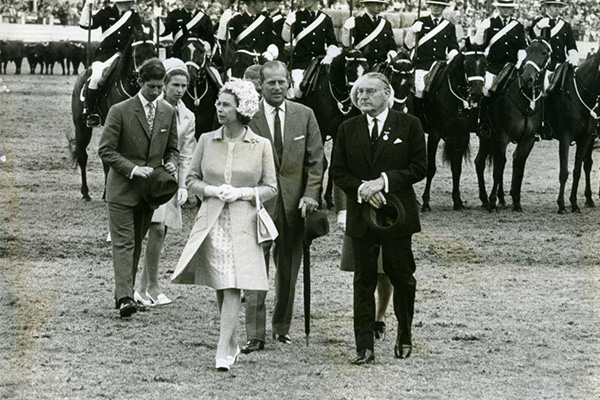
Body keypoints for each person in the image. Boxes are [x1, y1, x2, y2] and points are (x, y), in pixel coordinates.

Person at [171, 79, 277, 371]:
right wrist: (212, 191)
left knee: (232, 284)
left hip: (244, 221)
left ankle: (221, 349)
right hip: (212, 220)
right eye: (218, 103)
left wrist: (243, 193)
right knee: (221, 281)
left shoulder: (261, 145)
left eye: (225, 104)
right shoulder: (207, 140)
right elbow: (191, 179)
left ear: (241, 109)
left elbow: (271, 187)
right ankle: (230, 341)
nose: (219, 108)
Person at [332, 72, 426, 365]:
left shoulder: (409, 124)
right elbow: (338, 172)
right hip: (363, 215)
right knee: (363, 281)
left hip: (397, 215)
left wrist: (383, 181)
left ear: (387, 93)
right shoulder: (347, 128)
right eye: (359, 92)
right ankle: (364, 346)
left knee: (402, 277)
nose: (362, 97)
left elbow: (419, 167)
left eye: (370, 91)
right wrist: (363, 189)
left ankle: (405, 335)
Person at [241, 60, 325, 353]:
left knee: (288, 270)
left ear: (290, 82)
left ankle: (281, 327)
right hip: (258, 205)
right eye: (270, 83)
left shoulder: (305, 115)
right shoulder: (248, 118)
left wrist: (311, 194)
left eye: (281, 82)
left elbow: (316, 161)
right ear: (260, 85)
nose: (277, 87)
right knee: (255, 269)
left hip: (294, 207)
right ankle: (255, 333)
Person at [98, 58, 180, 318]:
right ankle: (124, 297)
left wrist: (170, 164)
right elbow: (105, 150)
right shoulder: (120, 110)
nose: (156, 92)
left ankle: (125, 294)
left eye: (159, 87)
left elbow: (173, 149)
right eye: (151, 87)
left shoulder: (168, 111)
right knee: (123, 244)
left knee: (135, 243)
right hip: (122, 190)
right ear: (140, 82)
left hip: (150, 194)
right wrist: (133, 169)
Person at [135, 58, 197, 307]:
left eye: (184, 86)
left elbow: (186, 151)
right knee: (154, 230)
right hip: (148, 176)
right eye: (175, 85)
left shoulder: (188, 116)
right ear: (165, 84)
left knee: (160, 233)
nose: (180, 91)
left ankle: (145, 287)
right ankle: (148, 286)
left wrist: (183, 184)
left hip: (168, 180)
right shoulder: (151, 107)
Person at [79, 0, 144, 127]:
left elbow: (140, 34)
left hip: (125, 56)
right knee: (96, 78)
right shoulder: (106, 12)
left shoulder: (134, 15)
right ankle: (91, 111)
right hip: (105, 55)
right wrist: (87, 7)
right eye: (129, 1)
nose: (132, 3)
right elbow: (86, 24)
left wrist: (155, 21)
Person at [472, 0, 526, 137]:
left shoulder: (518, 26)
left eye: (508, 8)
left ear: (512, 10)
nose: (506, 10)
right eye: (503, 7)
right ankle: (483, 122)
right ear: (498, 8)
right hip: (493, 67)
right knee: (486, 90)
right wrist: (481, 31)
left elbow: (521, 45)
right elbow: (478, 46)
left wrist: (521, 57)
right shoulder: (490, 23)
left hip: (512, 68)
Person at [530, 0, 578, 139]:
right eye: (554, 6)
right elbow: (533, 40)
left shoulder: (566, 25)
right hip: (546, 64)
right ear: (547, 7)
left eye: (559, 7)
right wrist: (538, 28)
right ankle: (542, 125)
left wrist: (573, 54)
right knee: (544, 89)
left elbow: (571, 45)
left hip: (562, 64)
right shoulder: (540, 23)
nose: (557, 9)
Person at [404, 0, 459, 117]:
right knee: (420, 88)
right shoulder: (420, 22)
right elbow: (408, 45)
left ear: (444, 8)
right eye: (434, 5)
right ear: (429, 6)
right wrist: (412, 32)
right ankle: (418, 117)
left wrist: (453, 53)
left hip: (440, 66)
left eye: (439, 5)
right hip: (422, 64)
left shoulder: (449, 26)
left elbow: (453, 45)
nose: (436, 8)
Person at [281, 0, 340, 98]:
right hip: (301, 63)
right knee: (296, 91)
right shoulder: (297, 16)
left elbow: (332, 42)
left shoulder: (326, 19)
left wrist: (330, 55)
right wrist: (287, 25)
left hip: (320, 63)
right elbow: (286, 39)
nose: (303, 1)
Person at [218, 0, 279, 78]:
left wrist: (270, 52)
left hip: (261, 64)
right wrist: (223, 27)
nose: (264, 4)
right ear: (252, 3)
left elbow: (273, 40)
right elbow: (228, 43)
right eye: (261, 2)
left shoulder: (267, 21)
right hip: (240, 66)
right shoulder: (237, 20)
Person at [340, 0, 397, 69]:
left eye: (381, 4)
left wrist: (391, 56)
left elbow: (392, 47)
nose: (380, 6)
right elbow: (347, 44)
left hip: (381, 66)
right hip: (362, 66)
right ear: (367, 4)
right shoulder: (357, 22)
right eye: (376, 4)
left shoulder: (386, 24)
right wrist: (346, 31)